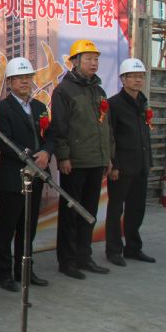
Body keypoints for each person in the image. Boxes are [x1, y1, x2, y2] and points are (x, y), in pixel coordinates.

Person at [50, 39, 114, 279]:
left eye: (96, 59)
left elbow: (106, 127)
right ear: (75, 62)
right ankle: (67, 261)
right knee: (71, 214)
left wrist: (107, 157)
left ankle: (84, 257)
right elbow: (59, 127)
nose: (93, 63)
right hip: (74, 163)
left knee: (89, 213)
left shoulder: (99, 91)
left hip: (96, 161)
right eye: (88, 59)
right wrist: (64, 156)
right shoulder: (64, 91)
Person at [0, 57, 53, 292]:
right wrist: (31, 157)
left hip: (37, 176)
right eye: (19, 78)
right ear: (10, 82)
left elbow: (50, 136)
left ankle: (24, 270)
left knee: (29, 227)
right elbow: (4, 142)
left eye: (28, 77)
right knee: (7, 228)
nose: (25, 82)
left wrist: (46, 152)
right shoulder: (1, 109)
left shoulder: (40, 107)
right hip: (13, 176)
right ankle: (3, 273)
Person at [105, 58, 156, 266]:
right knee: (116, 210)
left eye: (140, 76)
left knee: (136, 209)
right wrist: (114, 164)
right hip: (122, 167)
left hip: (140, 165)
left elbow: (145, 133)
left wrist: (148, 161)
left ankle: (133, 248)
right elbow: (109, 136)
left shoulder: (143, 102)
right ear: (123, 79)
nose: (137, 80)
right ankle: (113, 250)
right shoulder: (114, 104)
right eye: (133, 76)